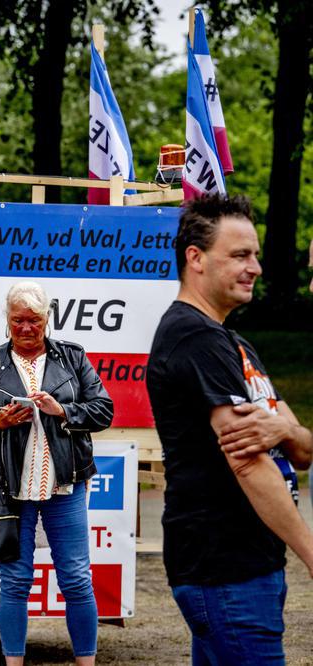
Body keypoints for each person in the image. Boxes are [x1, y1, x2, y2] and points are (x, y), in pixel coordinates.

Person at [146, 194, 313, 664]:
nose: (254, 268)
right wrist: (310, 551)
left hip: (247, 566)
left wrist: (282, 430)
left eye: (255, 255)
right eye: (240, 255)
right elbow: (247, 462)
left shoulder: (233, 343)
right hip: (225, 569)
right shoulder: (194, 337)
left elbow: (302, 448)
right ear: (195, 258)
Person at [0, 280, 113, 665]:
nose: (26, 328)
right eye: (17, 320)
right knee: (15, 581)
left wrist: (63, 411)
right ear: (7, 319)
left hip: (65, 486)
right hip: (10, 488)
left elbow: (104, 410)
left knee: (76, 579)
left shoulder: (72, 357)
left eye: (34, 320)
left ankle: (87, 662)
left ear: (47, 319)